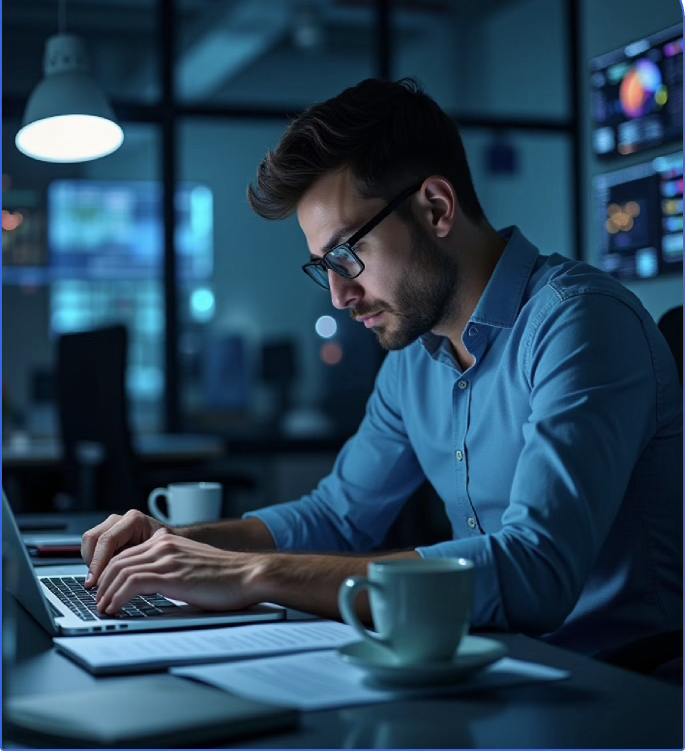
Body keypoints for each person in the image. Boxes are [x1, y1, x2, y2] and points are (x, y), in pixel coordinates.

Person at [82, 79, 682, 658]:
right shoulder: (413, 358)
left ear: (436, 208)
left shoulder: (580, 323)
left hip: (624, 682)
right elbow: (338, 517)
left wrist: (253, 573)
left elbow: (535, 573)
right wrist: (178, 546)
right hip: (487, 662)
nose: (339, 296)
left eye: (347, 253)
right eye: (324, 266)